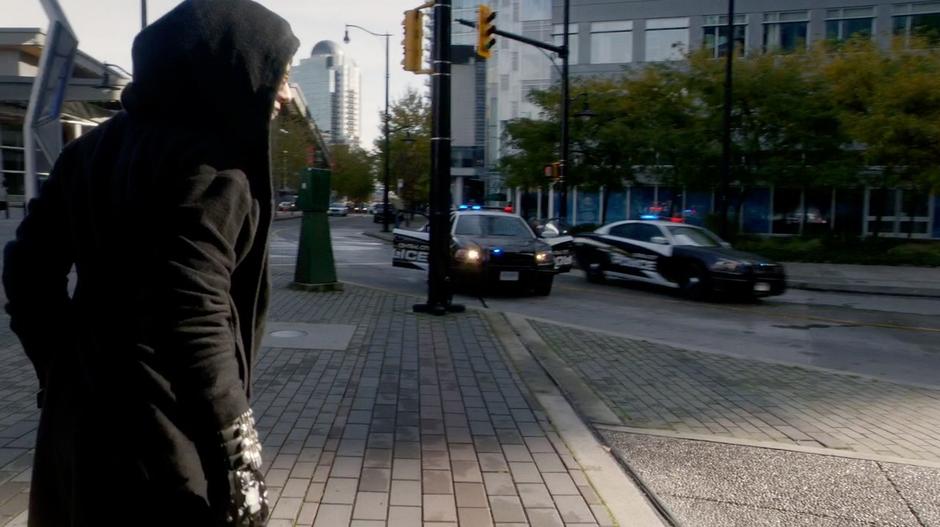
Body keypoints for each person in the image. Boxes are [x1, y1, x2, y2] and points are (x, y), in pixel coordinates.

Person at [2, 1, 299, 525]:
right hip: (160, 447)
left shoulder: (89, 151)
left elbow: (26, 269)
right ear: (232, 66)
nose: (285, 92)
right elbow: (194, 315)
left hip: (75, 432)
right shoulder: (213, 171)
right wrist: (238, 458)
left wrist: (59, 364)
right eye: (278, 73)